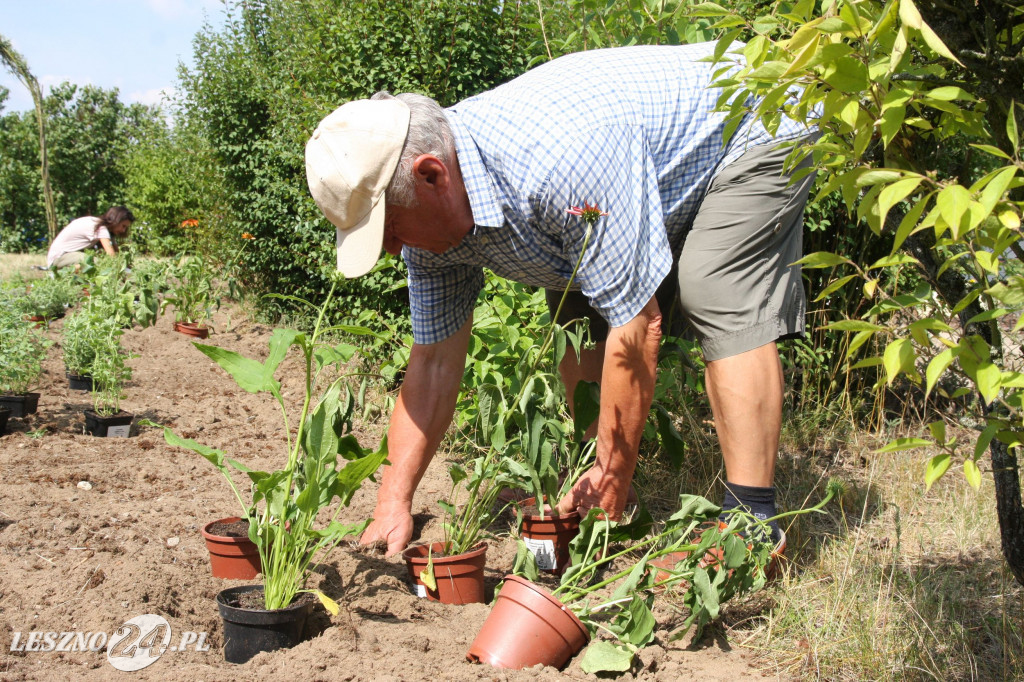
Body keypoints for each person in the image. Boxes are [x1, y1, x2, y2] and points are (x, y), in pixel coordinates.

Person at [305, 42, 818, 557]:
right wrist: (392, 502)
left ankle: (751, 524)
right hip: (650, 155)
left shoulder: (555, 162)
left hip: (758, 113)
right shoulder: (433, 223)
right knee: (574, 304)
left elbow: (637, 325)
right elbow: (434, 361)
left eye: (390, 228)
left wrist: (613, 475)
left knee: (715, 283)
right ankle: (597, 483)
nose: (392, 249)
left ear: (432, 175)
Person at [47, 206, 134, 269]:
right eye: (123, 226)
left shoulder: (100, 226)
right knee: (100, 263)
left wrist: (128, 267)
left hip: (61, 258)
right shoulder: (101, 228)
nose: (123, 230)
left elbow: (117, 254)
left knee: (99, 262)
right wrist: (126, 272)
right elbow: (112, 257)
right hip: (58, 258)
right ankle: (63, 274)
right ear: (116, 220)